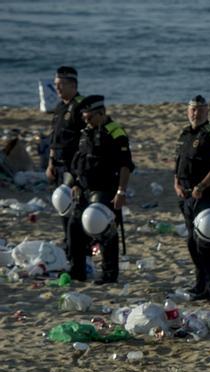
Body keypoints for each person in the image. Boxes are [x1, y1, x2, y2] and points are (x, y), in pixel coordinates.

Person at [68, 95, 133, 284]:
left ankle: (109, 274)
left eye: (89, 117)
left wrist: (121, 191)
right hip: (84, 188)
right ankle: (77, 271)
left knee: (104, 229)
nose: (86, 121)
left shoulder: (115, 132)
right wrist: (75, 183)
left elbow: (125, 165)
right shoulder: (85, 132)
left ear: (101, 113)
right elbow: (79, 162)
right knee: (74, 227)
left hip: (105, 189)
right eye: (84, 118)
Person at [174, 95, 210, 301]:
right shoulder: (184, 134)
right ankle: (200, 282)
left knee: (205, 242)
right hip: (186, 195)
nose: (195, 113)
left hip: (205, 195)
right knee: (191, 242)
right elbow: (178, 163)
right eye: (192, 109)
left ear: (207, 111)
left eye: (200, 110)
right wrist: (176, 183)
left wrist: (202, 185)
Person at [46, 66, 86, 244]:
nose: (57, 89)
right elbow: (55, 138)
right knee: (61, 205)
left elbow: (87, 141)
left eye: (61, 85)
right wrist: (50, 163)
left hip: (74, 166)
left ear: (72, 85)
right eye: (56, 85)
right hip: (59, 165)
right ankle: (68, 239)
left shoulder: (81, 107)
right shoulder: (60, 107)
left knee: (75, 206)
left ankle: (78, 242)